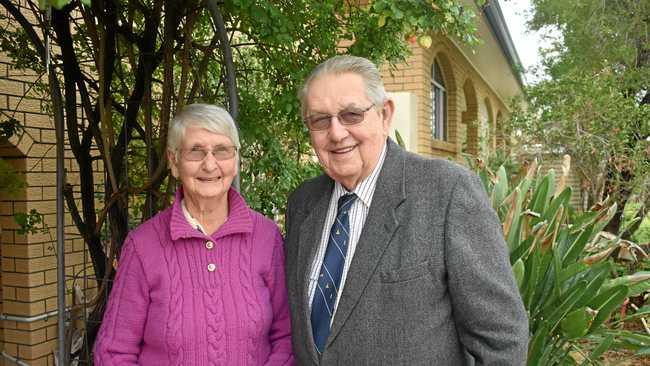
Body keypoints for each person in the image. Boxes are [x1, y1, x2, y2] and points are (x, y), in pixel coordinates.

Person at [284, 55, 529, 365]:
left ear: (385, 115)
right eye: (320, 120)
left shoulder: (446, 191)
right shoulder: (303, 203)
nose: (335, 133)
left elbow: (502, 341)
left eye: (351, 115)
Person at [94, 104, 294, 365]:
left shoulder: (267, 238)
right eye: (195, 151)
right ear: (174, 162)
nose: (209, 164)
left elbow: (287, 338)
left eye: (222, 151)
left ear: (235, 161)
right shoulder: (142, 246)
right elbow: (113, 353)